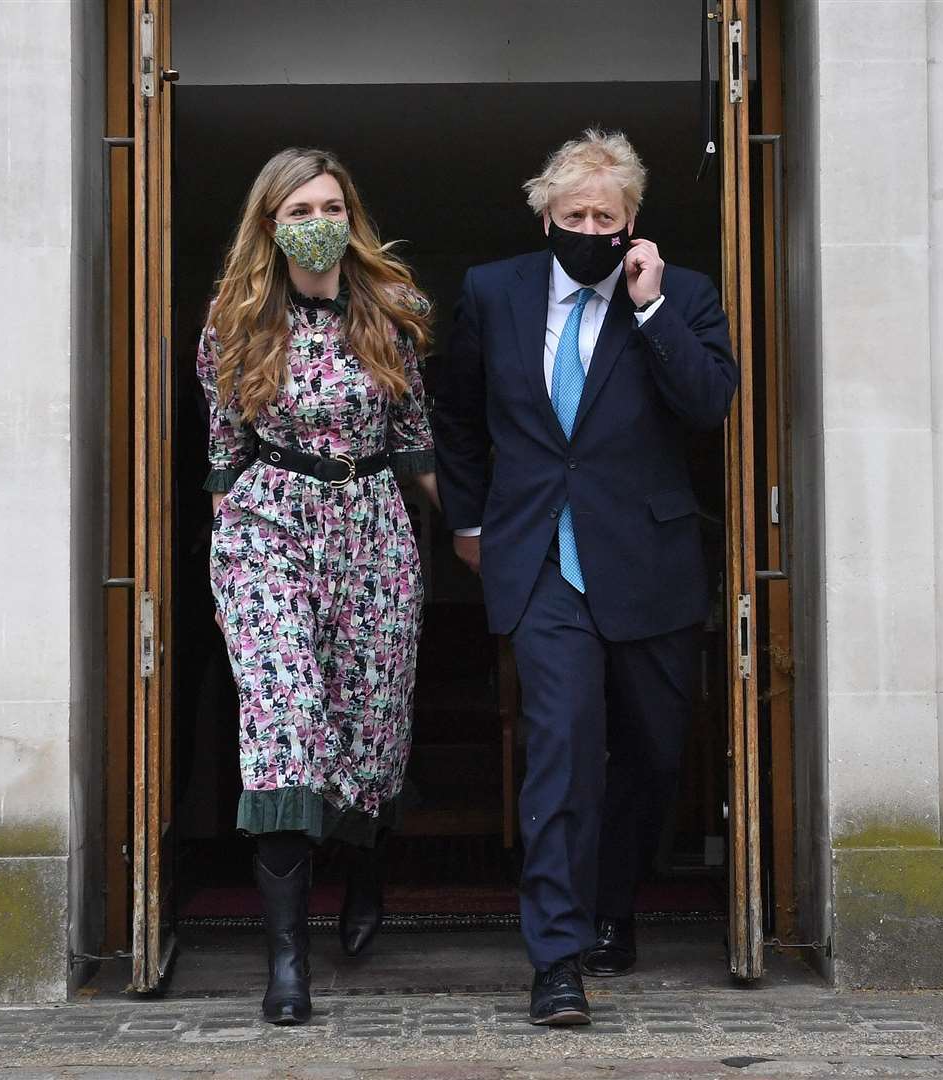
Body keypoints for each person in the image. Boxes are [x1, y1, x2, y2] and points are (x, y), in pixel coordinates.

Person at [432, 129, 738, 1025]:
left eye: (607, 215)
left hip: (647, 561)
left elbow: (710, 404)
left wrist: (649, 311)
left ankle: (613, 904)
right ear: (547, 216)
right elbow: (455, 412)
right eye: (575, 214)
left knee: (650, 753)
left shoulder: (682, 296)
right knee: (561, 752)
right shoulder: (495, 293)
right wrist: (473, 518)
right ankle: (557, 963)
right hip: (540, 564)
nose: (590, 226)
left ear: (632, 222)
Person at [196, 147, 440, 1026]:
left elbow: (417, 442)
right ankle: (287, 966)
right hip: (269, 523)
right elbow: (224, 454)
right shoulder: (234, 322)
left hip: (373, 526)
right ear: (270, 223)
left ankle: (366, 862)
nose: (319, 221)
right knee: (285, 724)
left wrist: (478, 536)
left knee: (370, 728)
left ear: (352, 215)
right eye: (300, 207)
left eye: (333, 204)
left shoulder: (395, 310)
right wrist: (231, 553)